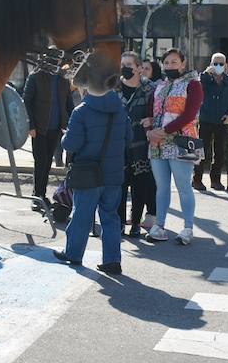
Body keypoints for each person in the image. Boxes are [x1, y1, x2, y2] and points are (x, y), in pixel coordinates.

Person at [53, 81, 131, 274]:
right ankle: (112, 261)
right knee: (111, 217)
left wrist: (64, 137)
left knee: (82, 215)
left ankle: (73, 253)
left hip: (88, 173)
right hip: (113, 173)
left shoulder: (81, 112)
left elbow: (71, 144)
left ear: (87, 89)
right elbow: (128, 139)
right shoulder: (120, 110)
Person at [145, 49, 203, 245]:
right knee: (161, 187)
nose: (170, 66)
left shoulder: (193, 85)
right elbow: (153, 111)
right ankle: (159, 226)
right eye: (166, 62)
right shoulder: (160, 86)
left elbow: (189, 115)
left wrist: (164, 130)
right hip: (157, 144)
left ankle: (187, 228)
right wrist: (151, 128)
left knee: (184, 186)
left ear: (183, 63)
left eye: (174, 62)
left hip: (182, 142)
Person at [22, 54, 72, 209]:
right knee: (40, 162)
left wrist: (71, 124)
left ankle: (41, 194)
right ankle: (37, 196)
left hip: (56, 128)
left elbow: (68, 103)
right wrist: (30, 126)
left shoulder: (63, 79)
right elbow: (26, 101)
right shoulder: (35, 77)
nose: (56, 63)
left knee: (47, 162)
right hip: (39, 128)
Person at [117, 52, 156, 238]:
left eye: (129, 64)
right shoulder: (114, 87)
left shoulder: (150, 89)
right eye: (123, 64)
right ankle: (119, 223)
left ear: (139, 68)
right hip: (118, 146)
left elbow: (157, 113)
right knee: (120, 186)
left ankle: (135, 223)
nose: (125, 67)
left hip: (142, 145)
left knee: (140, 186)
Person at [196, 52, 228, 192]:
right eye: (215, 63)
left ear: (226, 65)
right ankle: (196, 180)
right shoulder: (204, 79)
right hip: (206, 119)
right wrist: (205, 74)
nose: (218, 66)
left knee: (219, 152)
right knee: (202, 151)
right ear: (211, 64)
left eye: (221, 63)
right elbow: (196, 88)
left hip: (222, 121)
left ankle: (216, 180)